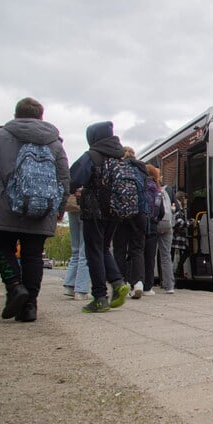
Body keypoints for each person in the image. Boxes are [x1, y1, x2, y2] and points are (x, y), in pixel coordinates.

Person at [0, 97, 69, 322]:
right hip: (42, 208)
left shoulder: (0, 136)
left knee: (1, 246)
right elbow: (63, 179)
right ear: (41, 117)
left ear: (15, 115)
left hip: (6, 206)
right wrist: (60, 209)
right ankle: (29, 306)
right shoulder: (54, 142)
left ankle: (14, 287)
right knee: (33, 255)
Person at [69, 121, 130, 313]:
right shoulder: (119, 157)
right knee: (103, 248)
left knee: (93, 251)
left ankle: (99, 297)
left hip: (95, 211)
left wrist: (74, 190)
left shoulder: (92, 156)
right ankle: (117, 282)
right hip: (115, 211)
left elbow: (74, 178)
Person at [112, 146, 148, 299]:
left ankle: (122, 283)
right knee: (137, 249)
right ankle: (138, 283)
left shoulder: (118, 167)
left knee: (120, 249)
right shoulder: (142, 169)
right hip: (140, 213)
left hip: (121, 213)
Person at [62, 193, 91, 300]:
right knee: (85, 250)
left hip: (72, 203)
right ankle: (81, 289)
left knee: (76, 249)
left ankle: (70, 284)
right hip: (86, 205)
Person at [142, 164, 163, 296]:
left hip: (139, 224)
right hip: (153, 226)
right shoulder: (158, 191)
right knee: (150, 258)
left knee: (136, 253)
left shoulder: (140, 186)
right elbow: (161, 211)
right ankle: (148, 287)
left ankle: (135, 281)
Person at [156, 180, 175, 294]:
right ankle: (169, 286)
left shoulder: (149, 186)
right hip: (167, 224)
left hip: (154, 224)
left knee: (147, 254)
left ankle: (144, 284)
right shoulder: (168, 189)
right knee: (166, 255)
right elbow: (176, 207)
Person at [170, 191, 191, 287]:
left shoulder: (179, 207)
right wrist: (189, 223)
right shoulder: (178, 208)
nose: (186, 201)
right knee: (186, 251)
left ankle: (176, 272)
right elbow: (179, 222)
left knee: (172, 255)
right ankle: (176, 272)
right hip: (176, 237)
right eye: (185, 198)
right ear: (182, 198)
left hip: (176, 237)